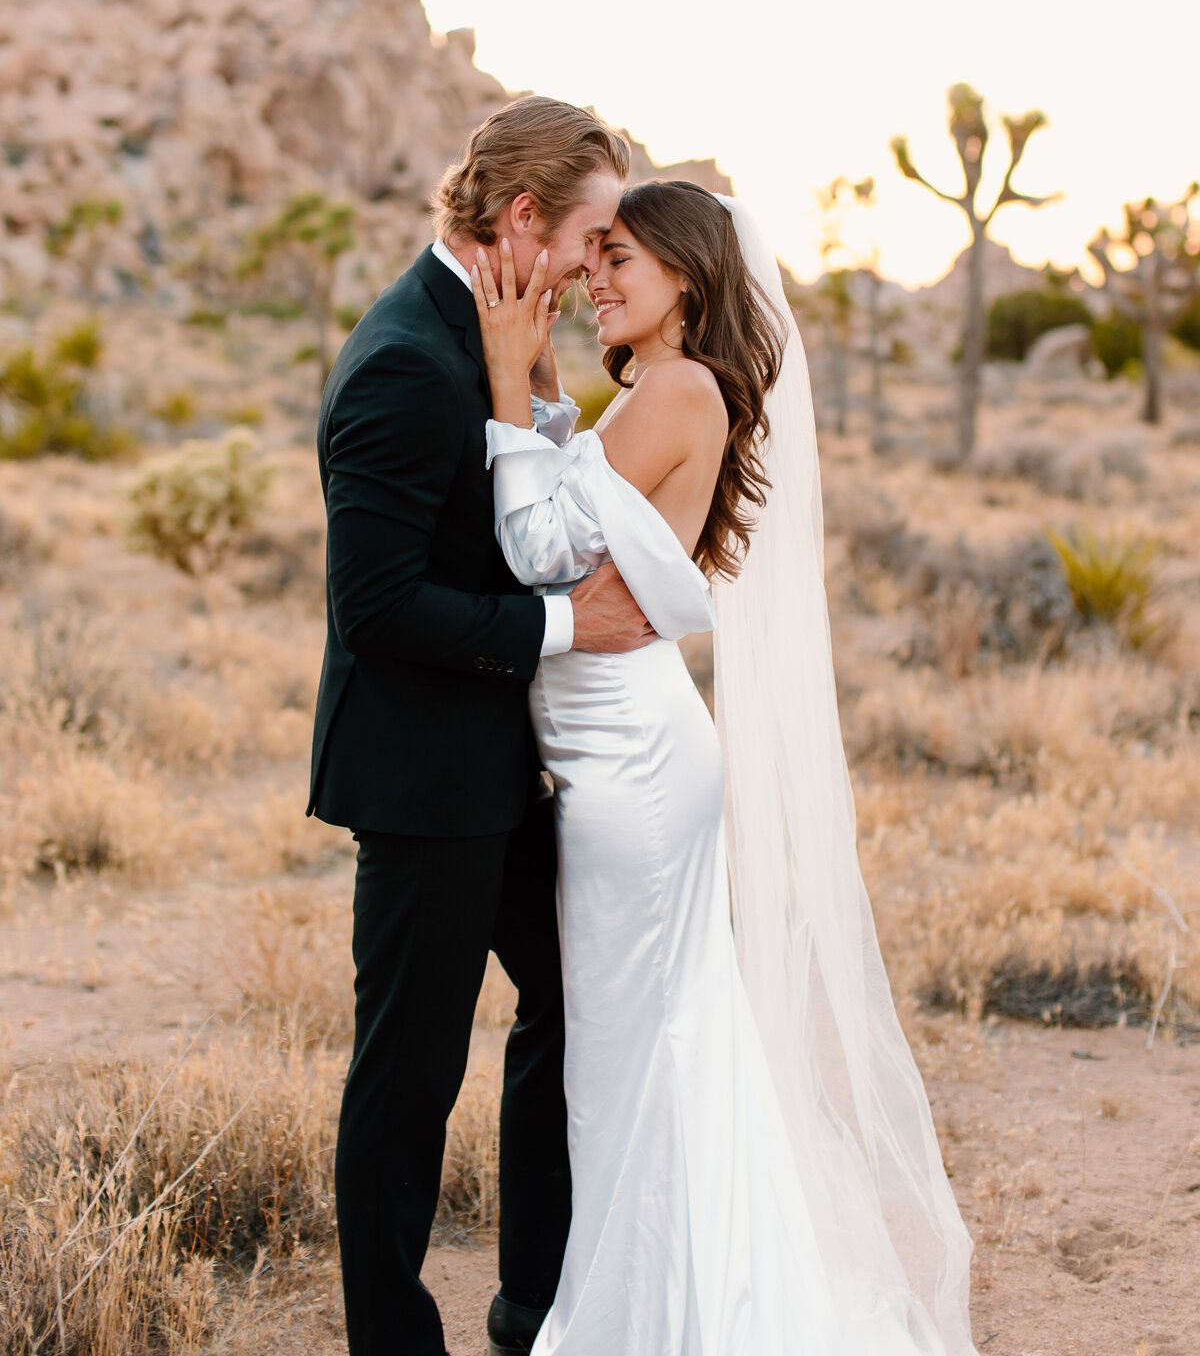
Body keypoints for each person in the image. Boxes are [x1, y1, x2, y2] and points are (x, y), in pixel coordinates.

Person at [470, 179, 978, 1355]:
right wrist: (548, 395)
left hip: (633, 769)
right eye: (594, 262)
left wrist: (508, 380)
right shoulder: (654, 391)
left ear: (686, 279)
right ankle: (670, 1296)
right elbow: (587, 519)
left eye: (621, 263)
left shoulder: (679, 388)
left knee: (642, 1047)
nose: (598, 279)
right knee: (639, 1043)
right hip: (622, 749)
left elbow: (540, 545)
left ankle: (667, 1315)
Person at [309, 97, 656, 1356]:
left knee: (570, 996)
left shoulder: (493, 338)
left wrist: (543, 394)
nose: (593, 264)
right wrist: (576, 632)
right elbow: (379, 602)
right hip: (422, 778)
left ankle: (535, 1301)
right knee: (408, 1074)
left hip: (501, 768)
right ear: (522, 220)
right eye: (590, 237)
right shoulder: (409, 356)